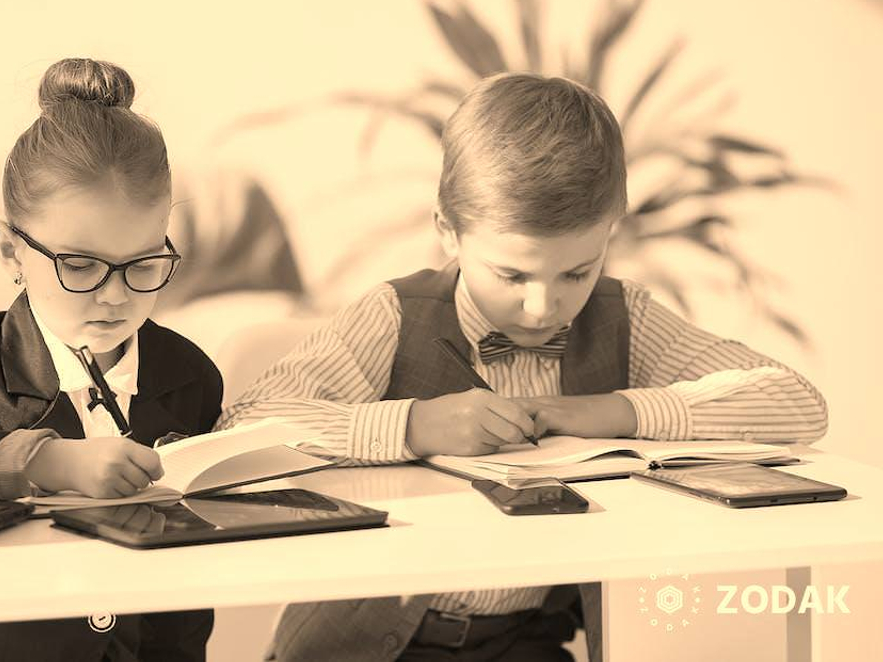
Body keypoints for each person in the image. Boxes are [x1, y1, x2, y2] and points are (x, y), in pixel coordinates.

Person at [216, 72, 829, 662]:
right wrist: (414, 427)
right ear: (448, 231)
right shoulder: (393, 315)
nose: (544, 307)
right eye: (512, 274)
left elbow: (797, 402)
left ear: (610, 234)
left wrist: (619, 411)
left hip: (530, 639)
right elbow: (245, 429)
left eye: (577, 272)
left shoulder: (627, 316)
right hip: (363, 644)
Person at [0, 57, 221, 662]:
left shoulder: (191, 372)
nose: (115, 295)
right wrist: (42, 461)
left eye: (142, 265)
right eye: (79, 265)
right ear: (11, 251)